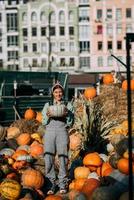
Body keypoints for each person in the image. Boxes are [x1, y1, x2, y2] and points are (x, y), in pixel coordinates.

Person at [42, 81, 74, 195]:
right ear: (53, 93)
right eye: (56, 92)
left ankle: (62, 183)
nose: (58, 94)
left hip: (62, 131)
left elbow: (71, 122)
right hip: (50, 131)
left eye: (60, 92)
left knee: (63, 157)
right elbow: (43, 122)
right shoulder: (48, 104)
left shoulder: (68, 105)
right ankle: (50, 183)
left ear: (63, 93)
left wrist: (67, 115)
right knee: (48, 157)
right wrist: (47, 116)